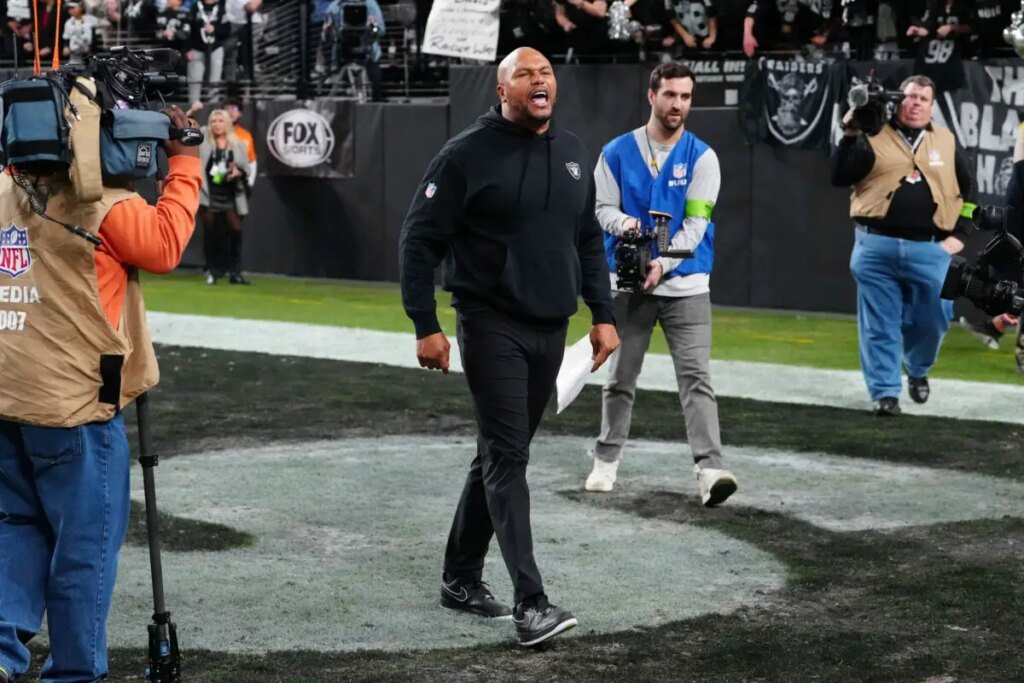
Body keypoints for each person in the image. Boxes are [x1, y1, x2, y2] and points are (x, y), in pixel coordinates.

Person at [399, 47, 619, 647]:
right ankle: (532, 604)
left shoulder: (573, 152)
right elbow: (418, 239)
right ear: (502, 91)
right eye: (524, 74)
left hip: (551, 327)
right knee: (507, 456)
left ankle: (459, 578)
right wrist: (424, 322)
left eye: (545, 72)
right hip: (490, 321)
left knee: (500, 454)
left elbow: (587, 240)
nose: (539, 80)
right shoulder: (465, 154)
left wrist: (602, 314)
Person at [0, 105, 201, 683]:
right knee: (83, 549)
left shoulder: (6, 191)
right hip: (76, 405)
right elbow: (165, 245)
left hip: (10, 394)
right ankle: (74, 673)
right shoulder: (105, 204)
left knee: (16, 526)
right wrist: (185, 161)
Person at [583, 61, 737, 507]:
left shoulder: (703, 158)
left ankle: (710, 470)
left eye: (686, 96)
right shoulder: (615, 152)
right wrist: (626, 225)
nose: (678, 104)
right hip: (629, 287)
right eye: (670, 94)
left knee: (696, 380)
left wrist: (663, 264)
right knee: (619, 378)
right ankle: (606, 459)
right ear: (652, 96)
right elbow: (601, 208)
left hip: (687, 287)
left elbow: (696, 224)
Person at [831, 74, 976, 416]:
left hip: (930, 248)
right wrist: (849, 134)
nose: (916, 104)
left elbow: (969, 189)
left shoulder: (946, 140)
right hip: (875, 246)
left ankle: (918, 367)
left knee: (935, 318)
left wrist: (962, 234)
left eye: (923, 99)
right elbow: (840, 176)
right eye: (910, 97)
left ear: (932, 106)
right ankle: (885, 393)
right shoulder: (873, 133)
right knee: (879, 324)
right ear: (898, 99)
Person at [199, 108, 251, 284]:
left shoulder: (238, 144)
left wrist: (238, 172)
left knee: (236, 231)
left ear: (227, 123)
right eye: (214, 121)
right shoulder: (204, 141)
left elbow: (246, 169)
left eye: (221, 121)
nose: (217, 124)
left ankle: (235, 272)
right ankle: (211, 270)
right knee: (210, 233)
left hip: (230, 193)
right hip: (209, 193)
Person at [225, 98, 257, 190]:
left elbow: (251, 161)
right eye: (227, 109)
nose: (230, 112)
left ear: (240, 113)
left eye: (234, 109)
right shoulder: (214, 133)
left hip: (240, 185)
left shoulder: (246, 136)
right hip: (217, 183)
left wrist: (250, 182)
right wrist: (217, 180)